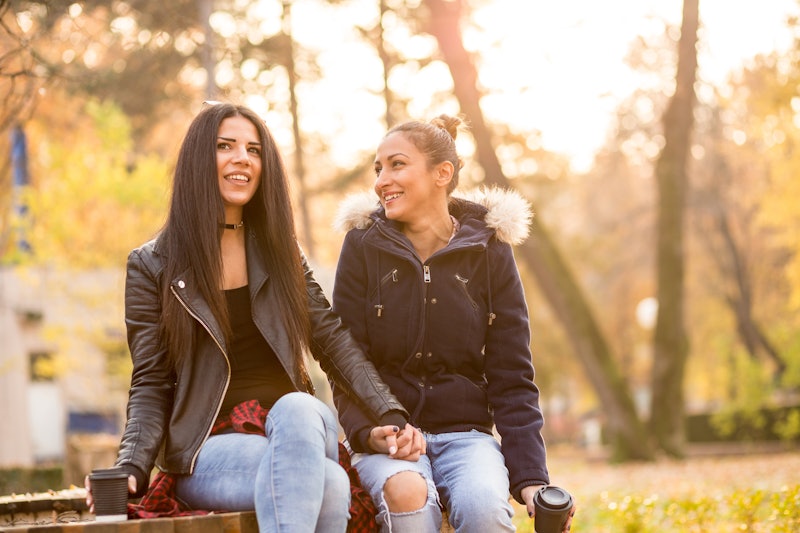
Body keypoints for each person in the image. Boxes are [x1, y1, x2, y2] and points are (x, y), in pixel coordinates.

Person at [84, 102, 425, 533]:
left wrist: (389, 413)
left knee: (299, 408)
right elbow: (150, 381)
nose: (242, 157)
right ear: (198, 161)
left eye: (254, 149)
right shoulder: (153, 265)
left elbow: (333, 341)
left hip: (295, 426)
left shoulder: (281, 254)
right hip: (210, 449)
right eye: (225, 146)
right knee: (333, 483)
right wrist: (132, 465)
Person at [331, 115, 574, 532]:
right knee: (411, 500)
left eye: (397, 165)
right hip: (391, 440)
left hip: (468, 437)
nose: (381, 180)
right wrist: (370, 433)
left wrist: (532, 481)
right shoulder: (361, 247)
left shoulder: (489, 251)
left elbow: (511, 374)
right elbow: (345, 361)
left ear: (442, 173)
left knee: (485, 510)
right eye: (378, 168)